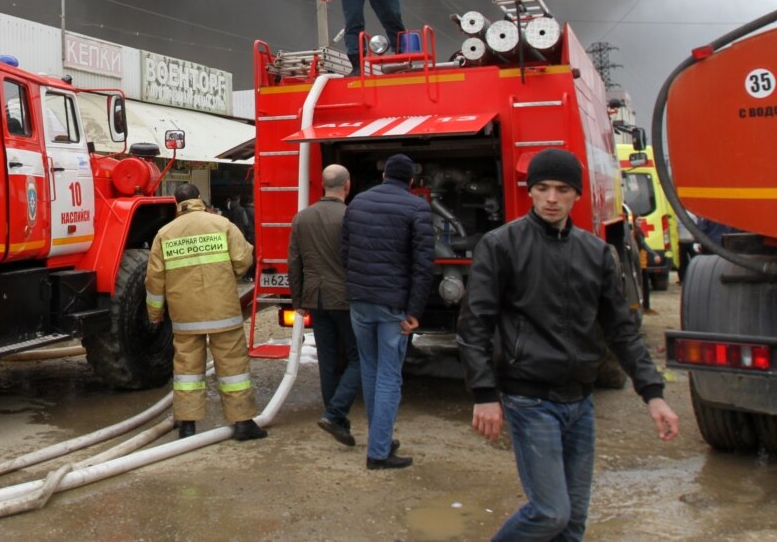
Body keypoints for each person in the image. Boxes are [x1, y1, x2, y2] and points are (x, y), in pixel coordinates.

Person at [457, 148, 680, 540]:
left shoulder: (595, 252)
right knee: (549, 513)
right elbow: (475, 324)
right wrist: (484, 393)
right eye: (542, 188)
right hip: (529, 400)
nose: (551, 198)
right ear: (531, 192)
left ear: (577, 195)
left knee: (573, 523)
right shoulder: (501, 246)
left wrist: (653, 393)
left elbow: (621, 329)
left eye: (562, 189)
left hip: (580, 402)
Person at [145, 183, 267, 442]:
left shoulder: (164, 234)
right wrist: (226, 278)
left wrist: (155, 313)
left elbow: (154, 281)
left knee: (187, 370)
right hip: (223, 310)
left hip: (185, 316)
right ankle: (243, 423)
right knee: (233, 367)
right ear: (199, 199)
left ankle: (187, 425)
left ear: (176, 203)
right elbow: (244, 259)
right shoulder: (222, 225)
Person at [341, 154, 434, 469]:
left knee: (370, 369)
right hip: (392, 305)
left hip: (359, 302)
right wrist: (415, 310)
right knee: (390, 376)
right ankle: (379, 452)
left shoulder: (357, 204)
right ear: (411, 181)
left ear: (384, 177)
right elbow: (423, 264)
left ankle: (379, 438)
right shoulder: (417, 207)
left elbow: (345, 251)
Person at [288, 164, 360, 446]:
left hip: (315, 299)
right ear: (347, 185)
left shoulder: (302, 218)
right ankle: (335, 413)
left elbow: (294, 262)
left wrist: (298, 300)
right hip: (345, 298)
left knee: (328, 361)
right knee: (359, 357)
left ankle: (336, 419)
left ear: (321, 185)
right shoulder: (352, 216)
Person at [631, 215, 662, 314]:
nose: (640, 221)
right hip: (640, 262)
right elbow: (644, 245)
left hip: (642, 261)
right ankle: (645, 307)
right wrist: (654, 254)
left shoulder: (637, 231)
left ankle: (645, 306)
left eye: (641, 220)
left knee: (644, 285)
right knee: (643, 286)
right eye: (638, 220)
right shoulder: (637, 232)